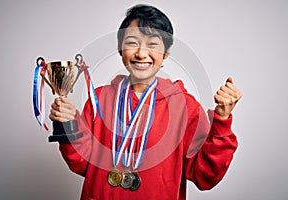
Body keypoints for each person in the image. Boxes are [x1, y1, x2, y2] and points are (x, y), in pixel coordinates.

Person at [49, 4, 242, 200]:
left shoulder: (185, 107)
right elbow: (82, 163)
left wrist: (222, 120)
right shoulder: (99, 99)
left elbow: (205, 176)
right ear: (120, 49)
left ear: (165, 53)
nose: (141, 54)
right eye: (132, 43)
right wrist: (68, 123)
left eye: (152, 44)